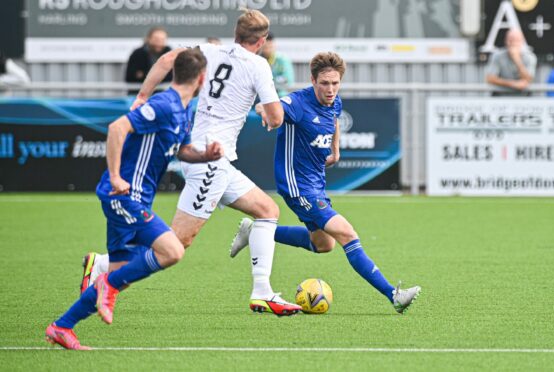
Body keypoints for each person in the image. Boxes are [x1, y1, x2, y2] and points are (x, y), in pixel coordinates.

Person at [78, 9, 302, 316]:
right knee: (176, 244)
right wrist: (265, 110)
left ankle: (262, 292)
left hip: (212, 158)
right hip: (209, 160)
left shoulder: (209, 50)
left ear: (236, 33)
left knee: (267, 210)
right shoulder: (259, 65)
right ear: (262, 40)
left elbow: (167, 60)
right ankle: (102, 265)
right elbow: (276, 118)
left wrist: (143, 95)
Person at [45, 48, 224, 350]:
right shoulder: (164, 104)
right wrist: (115, 177)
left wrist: (205, 155)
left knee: (121, 275)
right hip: (124, 198)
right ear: (202, 78)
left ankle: (62, 326)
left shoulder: (183, 110)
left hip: (138, 199)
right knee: (172, 251)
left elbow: (182, 150)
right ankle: (105, 284)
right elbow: (117, 128)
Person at [230, 52, 421, 314]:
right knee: (347, 234)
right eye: (324, 83)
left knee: (323, 244)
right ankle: (393, 294)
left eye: (335, 83)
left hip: (316, 183)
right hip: (297, 186)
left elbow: (334, 119)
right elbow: (273, 106)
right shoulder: (297, 103)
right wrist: (264, 108)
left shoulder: (334, 101)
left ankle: (256, 232)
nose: (330, 89)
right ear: (313, 80)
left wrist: (336, 149)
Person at [485, 28, 537, 96]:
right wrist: (513, 84)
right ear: (506, 41)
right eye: (510, 40)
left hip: (523, 99)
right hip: (500, 99)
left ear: (522, 41)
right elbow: (490, 79)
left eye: (516, 40)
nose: (513, 43)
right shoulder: (497, 56)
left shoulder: (530, 57)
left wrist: (517, 60)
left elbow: (528, 79)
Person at [125, 27, 172, 95]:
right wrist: (160, 76)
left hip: (163, 95)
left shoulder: (170, 54)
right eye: (156, 39)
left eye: (162, 39)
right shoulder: (138, 54)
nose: (159, 42)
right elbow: (130, 77)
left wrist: (144, 75)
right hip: (139, 95)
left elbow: (172, 76)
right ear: (149, 39)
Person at [260, 33, 294, 97]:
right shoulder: (257, 59)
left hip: (279, 95)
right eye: (265, 47)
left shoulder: (283, 60)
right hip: (260, 96)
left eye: (270, 47)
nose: (267, 50)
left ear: (274, 45)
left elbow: (289, 81)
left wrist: (269, 81)